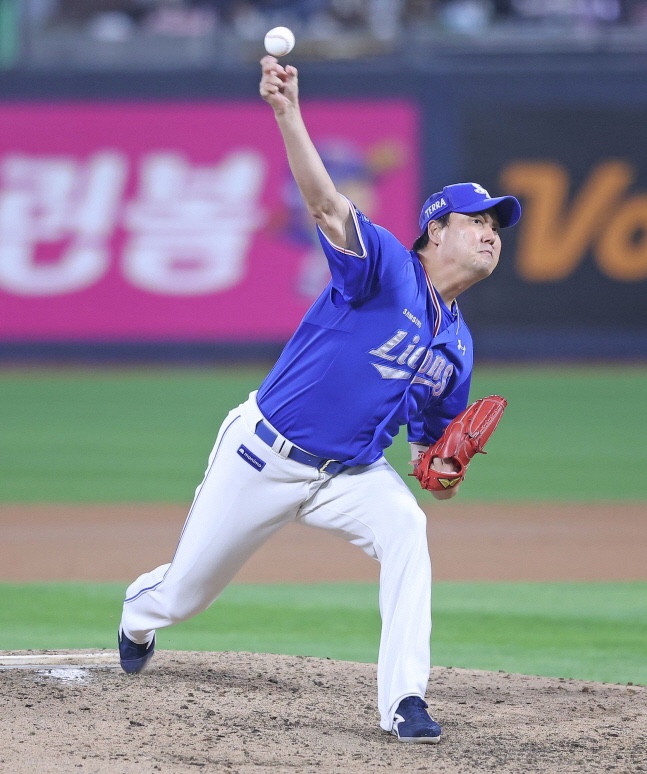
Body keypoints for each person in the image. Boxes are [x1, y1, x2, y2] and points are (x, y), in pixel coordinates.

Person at [118, 55, 521, 744]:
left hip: (351, 475)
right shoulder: (386, 268)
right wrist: (287, 112)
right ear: (435, 231)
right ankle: (138, 614)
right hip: (263, 455)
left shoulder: (457, 346)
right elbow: (327, 205)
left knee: (407, 529)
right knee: (184, 595)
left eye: (496, 225)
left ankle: (404, 701)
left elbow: (429, 449)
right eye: (475, 219)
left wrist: (443, 471)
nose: (490, 232)